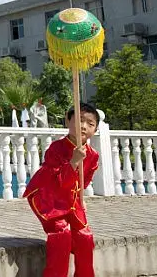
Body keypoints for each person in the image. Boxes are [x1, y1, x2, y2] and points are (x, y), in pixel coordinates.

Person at [23, 103, 100, 277]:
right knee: (61, 233)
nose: (84, 126)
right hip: (47, 197)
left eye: (90, 124)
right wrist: (73, 161)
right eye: (79, 120)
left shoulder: (93, 155)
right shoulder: (56, 149)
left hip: (71, 200)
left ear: (95, 130)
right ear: (68, 120)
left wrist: (82, 197)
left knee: (85, 237)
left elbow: (84, 180)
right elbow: (58, 183)